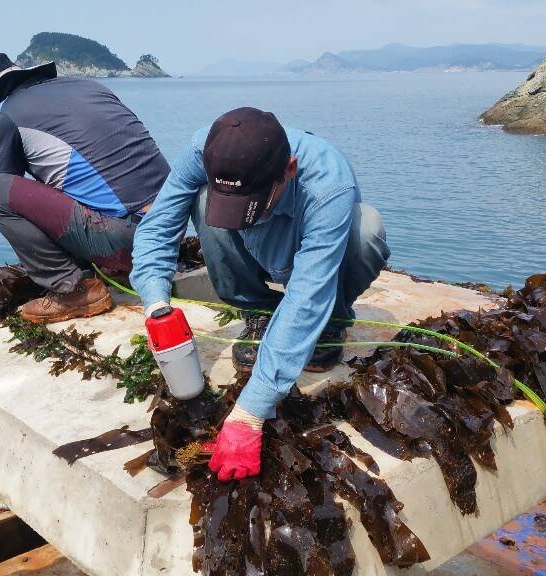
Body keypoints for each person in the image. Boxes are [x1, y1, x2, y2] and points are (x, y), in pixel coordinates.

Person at [130, 107, 391, 481]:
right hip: (257, 252)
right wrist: (156, 303)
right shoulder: (205, 150)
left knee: (367, 229)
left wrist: (251, 412)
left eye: (252, 203)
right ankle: (257, 310)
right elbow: (158, 228)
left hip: (316, 263)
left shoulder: (329, 183)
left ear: (289, 169)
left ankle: (331, 323)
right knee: (204, 202)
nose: (243, 216)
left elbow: (306, 294)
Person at [0, 53, 169, 323]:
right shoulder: (90, 87)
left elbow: (9, 188)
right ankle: (104, 267)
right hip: (170, 232)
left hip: (129, 243)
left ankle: (74, 289)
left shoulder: (4, 117)